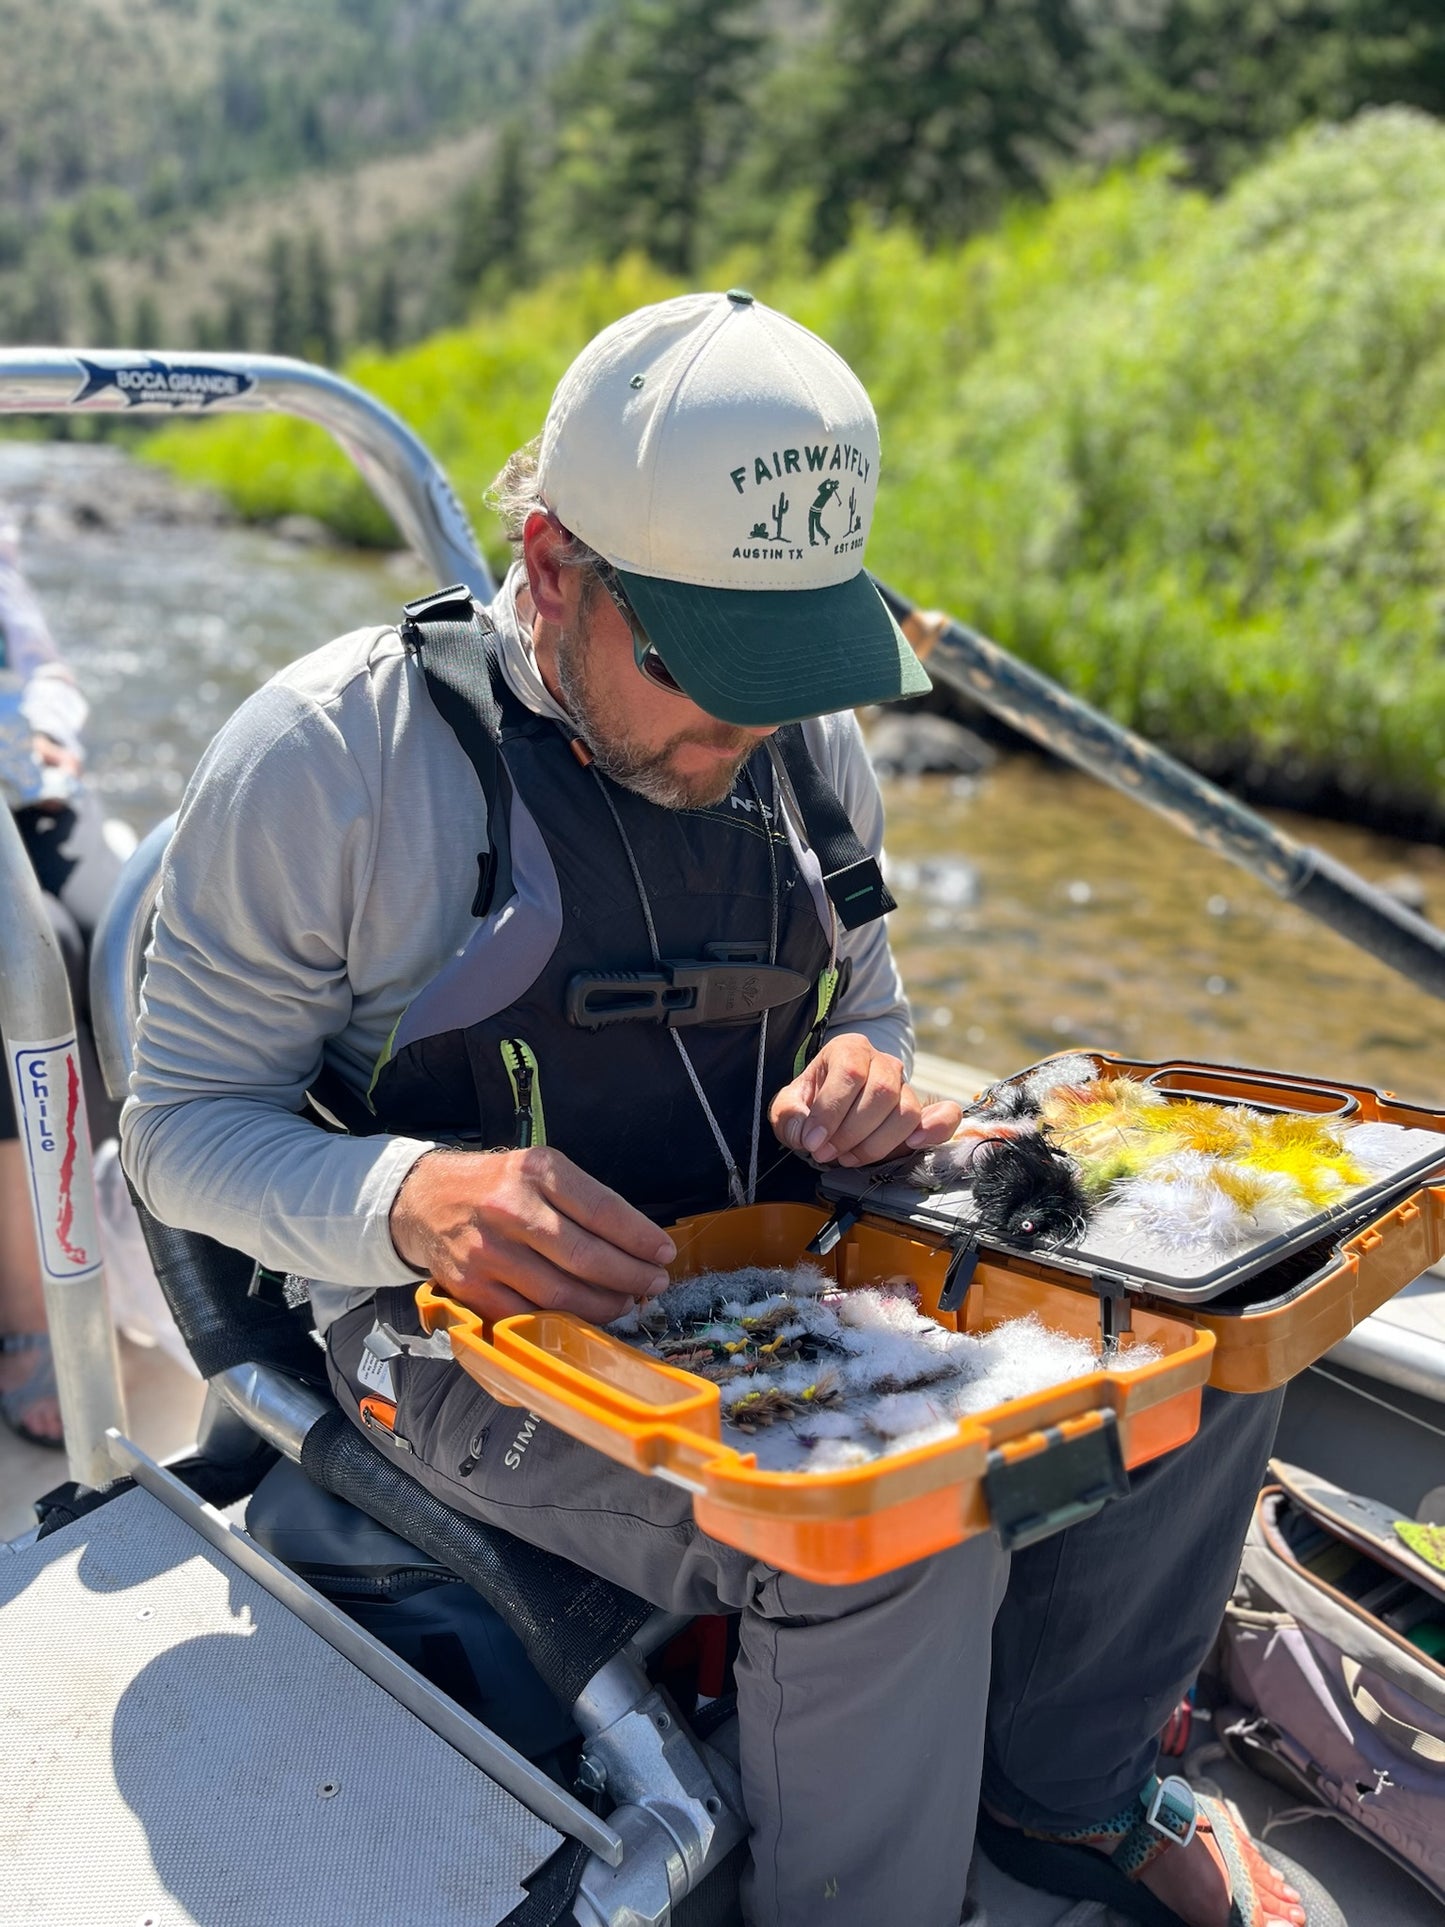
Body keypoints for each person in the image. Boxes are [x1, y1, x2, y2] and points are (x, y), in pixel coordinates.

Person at [123, 292, 1308, 1927]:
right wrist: (407, 1194)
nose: (747, 731)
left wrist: (867, 1078)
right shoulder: (333, 764)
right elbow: (178, 1132)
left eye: (784, 669)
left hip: (779, 1282)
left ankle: (1060, 1800)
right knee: (894, 1534)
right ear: (553, 569)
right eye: (706, 672)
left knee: (1211, 1338)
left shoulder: (802, 745)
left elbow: (867, 1004)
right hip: (458, 1344)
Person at [0, 519, 121, 1446]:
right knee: (10, 969)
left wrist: (48, 736)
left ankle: (107, 1241)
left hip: (24, 784)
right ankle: (31, 1310)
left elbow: (43, 662)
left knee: (112, 931)